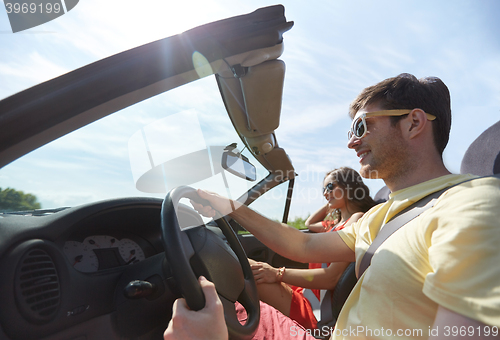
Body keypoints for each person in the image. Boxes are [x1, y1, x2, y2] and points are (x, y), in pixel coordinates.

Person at [165, 73, 500, 340]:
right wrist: (229, 206)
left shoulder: (474, 204)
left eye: (361, 126)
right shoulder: (381, 215)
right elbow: (303, 243)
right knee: (220, 305)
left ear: (413, 123)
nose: (351, 142)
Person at [249, 167, 376, 330]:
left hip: (317, 308)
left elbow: (332, 278)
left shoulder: (356, 219)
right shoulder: (332, 226)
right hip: (306, 293)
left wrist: (276, 273)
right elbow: (309, 223)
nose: (325, 193)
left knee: (248, 271)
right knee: (247, 268)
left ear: (349, 186)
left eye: (330, 187)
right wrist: (331, 198)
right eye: (323, 189)